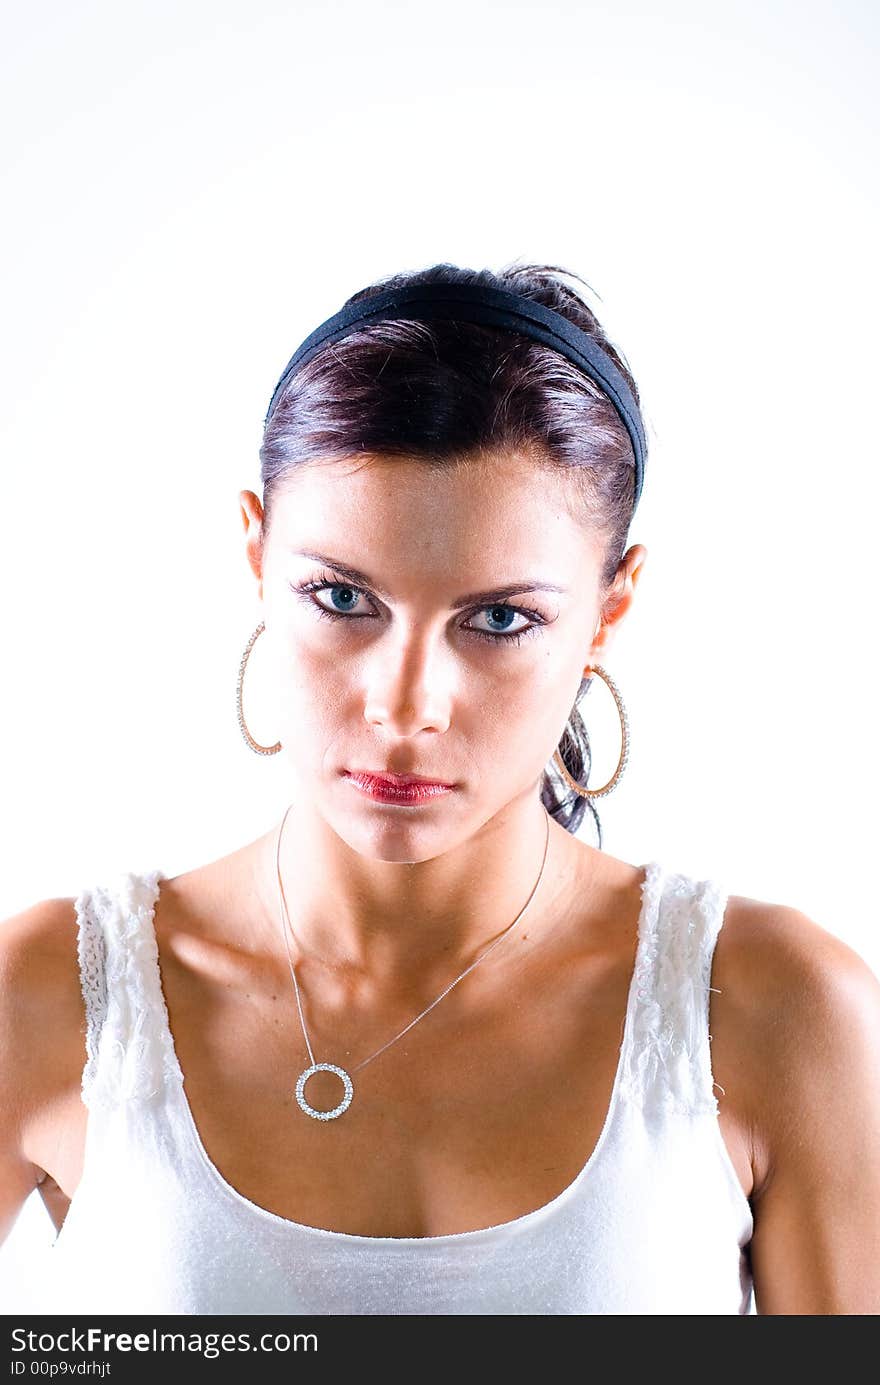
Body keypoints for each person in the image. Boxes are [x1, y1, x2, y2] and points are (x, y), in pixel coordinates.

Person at [1, 261, 878, 1316]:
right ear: (256, 553)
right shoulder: (52, 998)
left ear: (610, 607)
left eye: (499, 618)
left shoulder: (779, 1012)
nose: (404, 703)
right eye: (340, 596)